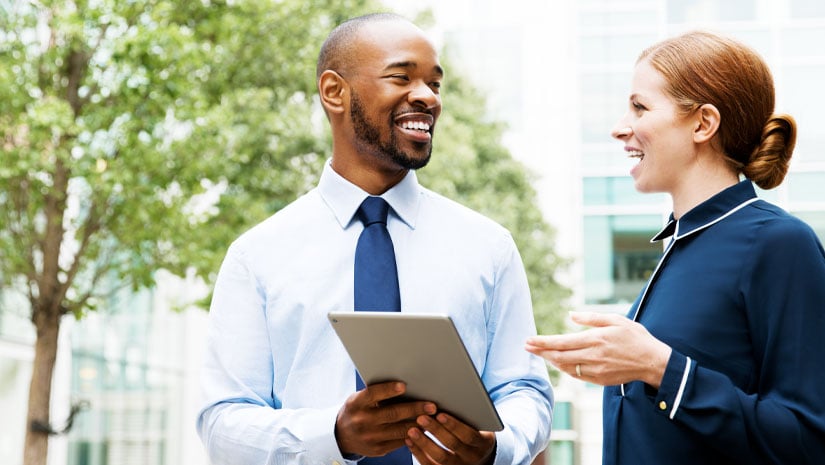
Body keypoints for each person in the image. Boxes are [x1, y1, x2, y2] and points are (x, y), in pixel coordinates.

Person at [196, 12, 553, 465]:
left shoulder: (489, 247)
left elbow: (526, 390)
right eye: (400, 77)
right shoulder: (257, 256)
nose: (426, 97)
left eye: (435, 84)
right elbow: (222, 424)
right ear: (334, 92)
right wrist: (334, 435)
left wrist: (495, 448)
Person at [526, 31, 825, 464]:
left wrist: (660, 368)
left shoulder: (779, 244)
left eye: (640, 107)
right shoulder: (681, 246)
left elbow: (809, 441)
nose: (618, 128)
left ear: (703, 123)